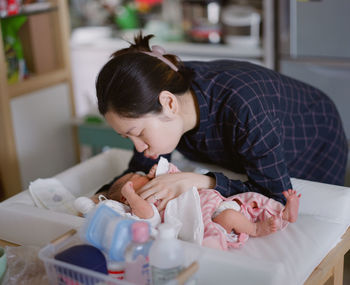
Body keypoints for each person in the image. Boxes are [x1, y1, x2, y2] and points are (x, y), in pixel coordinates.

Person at [95, 32, 347, 212]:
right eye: (128, 137)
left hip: (314, 136)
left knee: (296, 215)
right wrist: (101, 197)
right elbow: (139, 171)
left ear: (169, 104)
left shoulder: (244, 106)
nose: (138, 147)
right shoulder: (160, 99)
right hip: (254, 140)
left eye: (137, 133)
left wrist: (202, 180)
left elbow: (275, 195)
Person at [77, 160, 301, 250]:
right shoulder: (141, 204)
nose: (140, 174)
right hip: (208, 215)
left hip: (216, 199)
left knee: (251, 199)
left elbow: (175, 174)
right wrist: (132, 197)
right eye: (132, 179)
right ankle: (256, 229)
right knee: (230, 219)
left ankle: (284, 211)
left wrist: (160, 172)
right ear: (127, 196)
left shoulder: (157, 180)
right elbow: (147, 215)